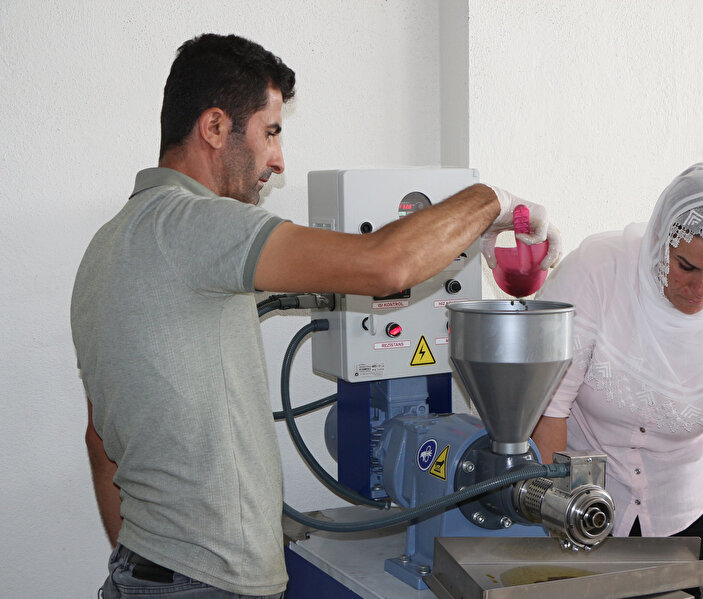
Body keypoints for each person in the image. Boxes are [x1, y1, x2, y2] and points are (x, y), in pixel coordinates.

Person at [72, 33, 560, 599]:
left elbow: (97, 439)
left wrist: (152, 569)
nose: (278, 161)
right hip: (208, 585)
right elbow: (385, 264)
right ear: (213, 127)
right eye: (270, 132)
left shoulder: (107, 249)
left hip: (140, 573)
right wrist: (490, 203)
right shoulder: (200, 226)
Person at [531, 163, 703, 599]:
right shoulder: (598, 272)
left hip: (689, 502)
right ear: (659, 241)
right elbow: (547, 412)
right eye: (686, 265)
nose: (702, 288)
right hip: (582, 493)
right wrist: (559, 519)